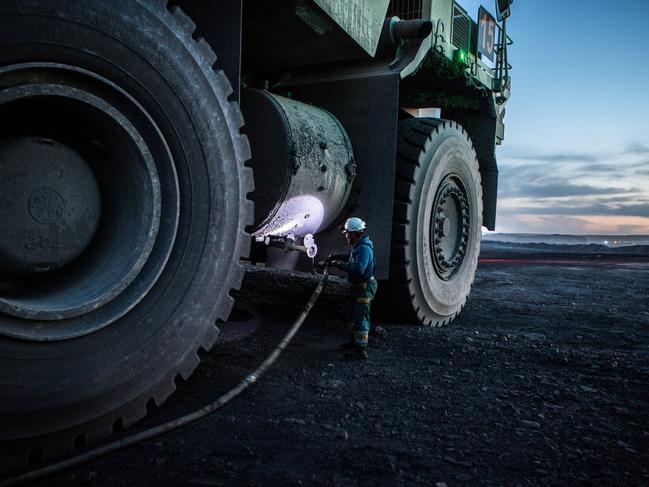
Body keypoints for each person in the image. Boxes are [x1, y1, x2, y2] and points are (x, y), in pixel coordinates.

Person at [325, 217, 377, 359]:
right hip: (359, 287)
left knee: (361, 317)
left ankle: (361, 350)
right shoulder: (359, 246)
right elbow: (350, 256)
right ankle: (354, 342)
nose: (346, 236)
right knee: (353, 314)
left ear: (355, 234)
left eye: (348, 233)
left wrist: (339, 265)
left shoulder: (364, 249)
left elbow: (359, 269)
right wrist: (337, 257)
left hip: (365, 287)